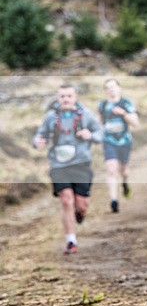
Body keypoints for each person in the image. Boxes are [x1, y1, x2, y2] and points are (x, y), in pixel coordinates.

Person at [32, 84, 103, 255]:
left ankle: (80, 213)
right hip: (58, 165)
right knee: (66, 201)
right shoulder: (51, 117)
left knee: (82, 204)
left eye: (69, 96)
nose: (65, 99)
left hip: (81, 163)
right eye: (62, 96)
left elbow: (100, 133)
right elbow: (39, 135)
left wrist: (90, 135)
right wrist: (38, 142)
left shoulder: (85, 114)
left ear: (75, 97)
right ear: (58, 98)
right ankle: (71, 240)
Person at [98, 78, 139, 213]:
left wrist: (123, 113)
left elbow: (135, 123)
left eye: (113, 86)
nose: (111, 89)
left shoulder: (126, 103)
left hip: (124, 141)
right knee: (111, 169)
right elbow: (98, 123)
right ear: (105, 91)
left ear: (119, 88)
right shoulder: (102, 105)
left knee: (124, 171)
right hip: (109, 141)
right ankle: (114, 201)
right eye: (108, 87)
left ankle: (125, 183)